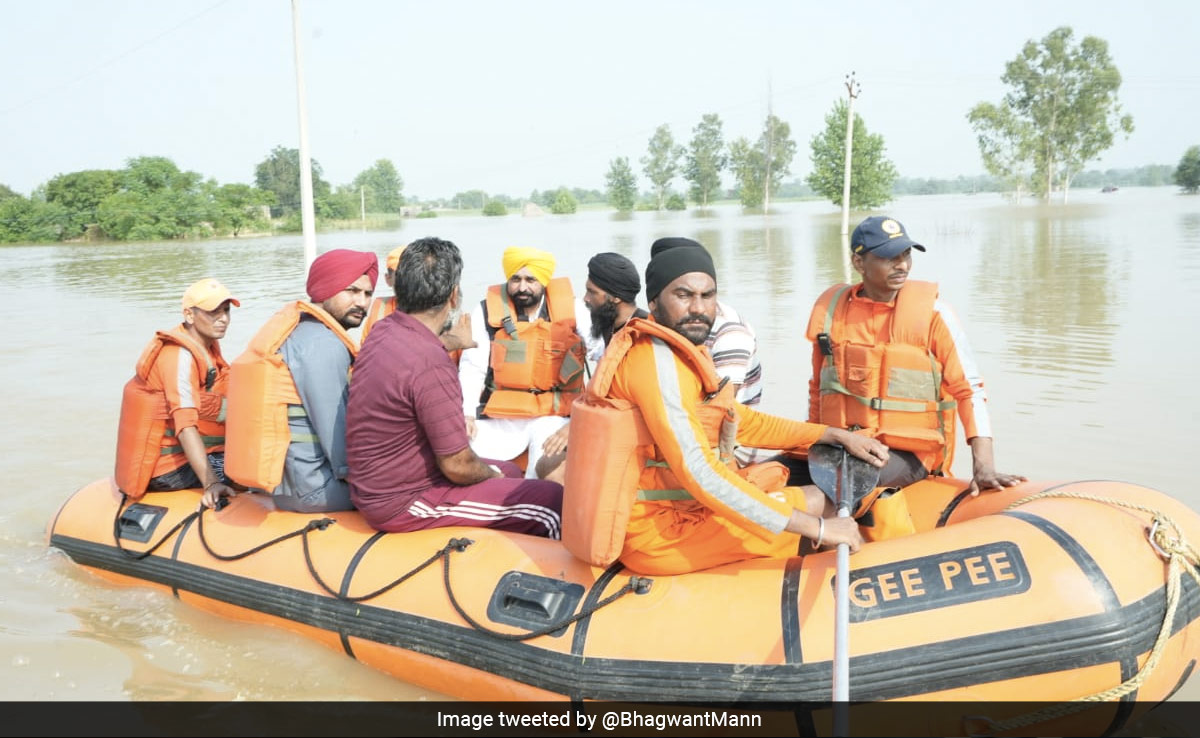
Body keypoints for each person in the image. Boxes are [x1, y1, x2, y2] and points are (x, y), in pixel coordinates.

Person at [564, 239, 887, 576]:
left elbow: (740, 420)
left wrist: (831, 434)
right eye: (684, 295)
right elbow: (698, 470)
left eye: (708, 296)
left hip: (686, 507)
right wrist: (819, 529)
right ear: (654, 301)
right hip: (661, 532)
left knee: (817, 494)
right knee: (831, 507)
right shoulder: (653, 362)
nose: (698, 308)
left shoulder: (681, 352)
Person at [346, 237, 563, 537]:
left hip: (380, 483)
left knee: (512, 471)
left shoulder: (384, 331)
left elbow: (412, 361)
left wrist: (451, 342)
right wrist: (493, 475)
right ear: (453, 296)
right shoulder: (431, 364)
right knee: (551, 502)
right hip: (405, 500)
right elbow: (457, 465)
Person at [805, 215, 1024, 497]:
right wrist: (810, 441)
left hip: (909, 452)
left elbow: (969, 391)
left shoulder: (935, 315)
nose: (902, 265)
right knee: (775, 473)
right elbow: (817, 389)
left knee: (838, 485)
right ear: (859, 263)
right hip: (841, 443)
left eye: (906, 254)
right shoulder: (831, 316)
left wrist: (984, 466)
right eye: (888, 257)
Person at [224, 249, 377, 513]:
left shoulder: (297, 330)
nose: (362, 302)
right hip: (316, 489)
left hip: (287, 486)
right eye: (352, 291)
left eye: (367, 294)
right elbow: (336, 434)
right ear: (325, 289)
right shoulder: (323, 344)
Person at [458, 246, 587, 478]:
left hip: (554, 414)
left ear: (544, 282)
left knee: (545, 471)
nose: (522, 287)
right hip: (501, 417)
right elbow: (472, 366)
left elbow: (599, 360)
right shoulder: (486, 310)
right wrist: (466, 413)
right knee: (459, 456)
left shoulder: (575, 310)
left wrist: (579, 421)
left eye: (531, 280)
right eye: (515, 279)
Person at [114, 278, 240, 509]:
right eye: (213, 312)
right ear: (190, 315)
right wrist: (211, 483)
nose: (223, 318)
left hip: (193, 455)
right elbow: (185, 425)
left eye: (226, 311)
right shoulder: (179, 357)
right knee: (247, 469)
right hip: (169, 469)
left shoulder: (207, 348)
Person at [650, 238, 768, 466]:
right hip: (684, 429)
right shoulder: (666, 324)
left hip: (732, 442)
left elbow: (718, 412)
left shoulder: (729, 331)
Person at [534, 252, 646, 481]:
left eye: (592, 292)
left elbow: (633, 402)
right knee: (545, 464)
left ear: (614, 298)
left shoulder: (641, 334)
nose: (585, 298)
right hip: (609, 424)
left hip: (633, 433)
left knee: (554, 473)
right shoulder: (608, 324)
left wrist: (575, 427)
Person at [359, 244, 406, 344]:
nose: (409, 281)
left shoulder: (438, 311)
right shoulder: (380, 307)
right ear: (388, 279)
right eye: (402, 275)